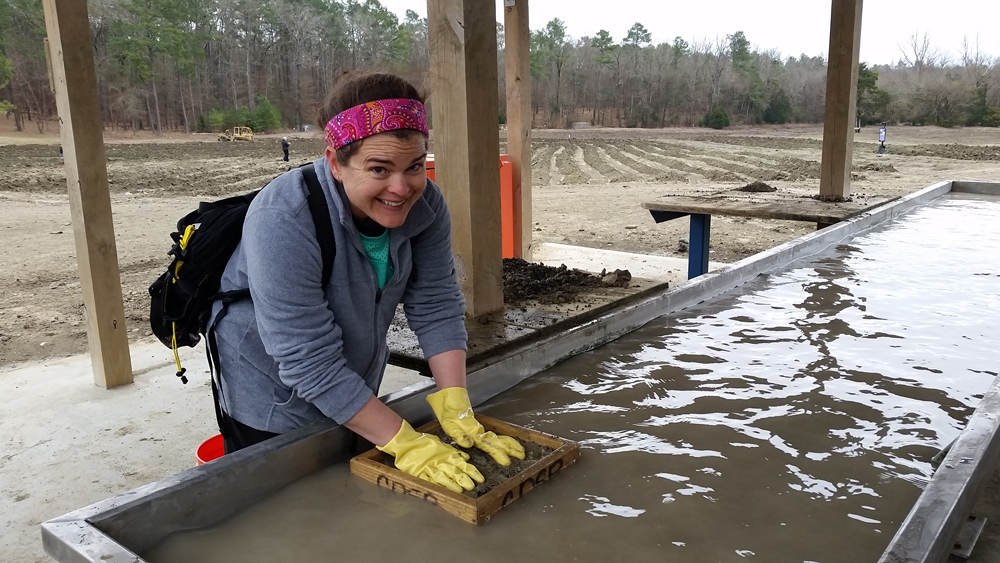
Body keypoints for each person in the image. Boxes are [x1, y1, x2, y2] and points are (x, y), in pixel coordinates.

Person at [208, 70, 524, 493]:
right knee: (289, 506)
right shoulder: (283, 217)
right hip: (270, 390)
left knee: (350, 487)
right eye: (379, 168)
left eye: (414, 166)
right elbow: (306, 359)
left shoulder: (426, 203)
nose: (401, 188)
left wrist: (455, 401)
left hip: (350, 373)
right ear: (336, 162)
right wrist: (408, 443)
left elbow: (435, 301)